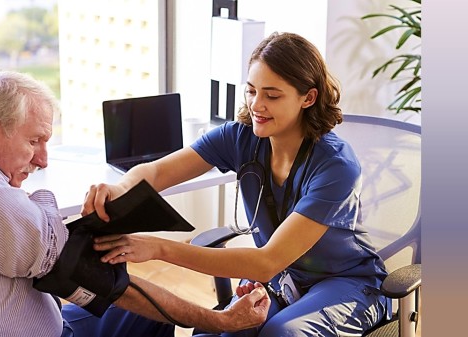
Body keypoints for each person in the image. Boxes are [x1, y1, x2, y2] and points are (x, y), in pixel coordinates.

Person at [0, 71, 269, 337]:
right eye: (35, 141)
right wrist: (223, 321)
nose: (43, 161)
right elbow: (103, 284)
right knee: (140, 308)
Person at [82, 32, 390, 337]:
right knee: (217, 329)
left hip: (349, 286)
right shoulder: (240, 137)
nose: (257, 105)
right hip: (285, 282)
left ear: (307, 98)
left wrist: (158, 248)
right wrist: (120, 189)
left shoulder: (336, 166)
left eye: (272, 95)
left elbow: (266, 261)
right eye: (251, 90)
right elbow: (156, 173)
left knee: (281, 333)